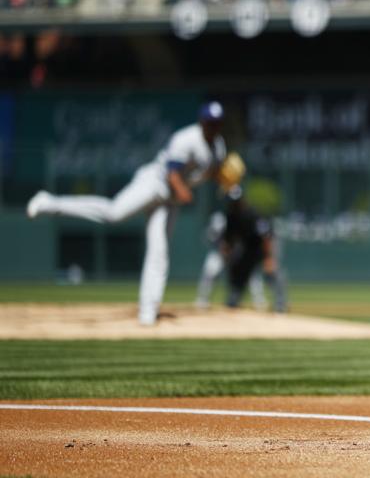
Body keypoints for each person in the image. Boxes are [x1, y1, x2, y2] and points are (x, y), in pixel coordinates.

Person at [27, 101, 231, 325]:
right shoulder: (187, 138)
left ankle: (148, 312)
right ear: (202, 121)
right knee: (114, 213)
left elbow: (213, 172)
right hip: (154, 183)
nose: (213, 126)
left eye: (217, 123)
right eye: (210, 122)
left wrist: (227, 180)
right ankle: (49, 202)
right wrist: (184, 192)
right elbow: (173, 175)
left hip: (168, 201)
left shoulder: (218, 147)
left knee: (159, 250)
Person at [218, 185, 287, 313]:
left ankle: (280, 305)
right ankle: (233, 302)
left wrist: (269, 258)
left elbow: (266, 236)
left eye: (237, 201)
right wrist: (227, 254)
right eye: (232, 201)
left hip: (265, 244)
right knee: (238, 271)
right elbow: (228, 238)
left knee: (272, 272)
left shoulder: (253, 214)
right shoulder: (231, 216)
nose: (235, 204)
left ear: (242, 200)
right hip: (249, 247)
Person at [193, 210, 269, 311]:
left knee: (252, 275)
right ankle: (202, 300)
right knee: (210, 271)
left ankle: (259, 301)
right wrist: (222, 248)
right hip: (220, 252)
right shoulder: (219, 218)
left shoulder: (246, 218)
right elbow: (211, 236)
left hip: (238, 252)